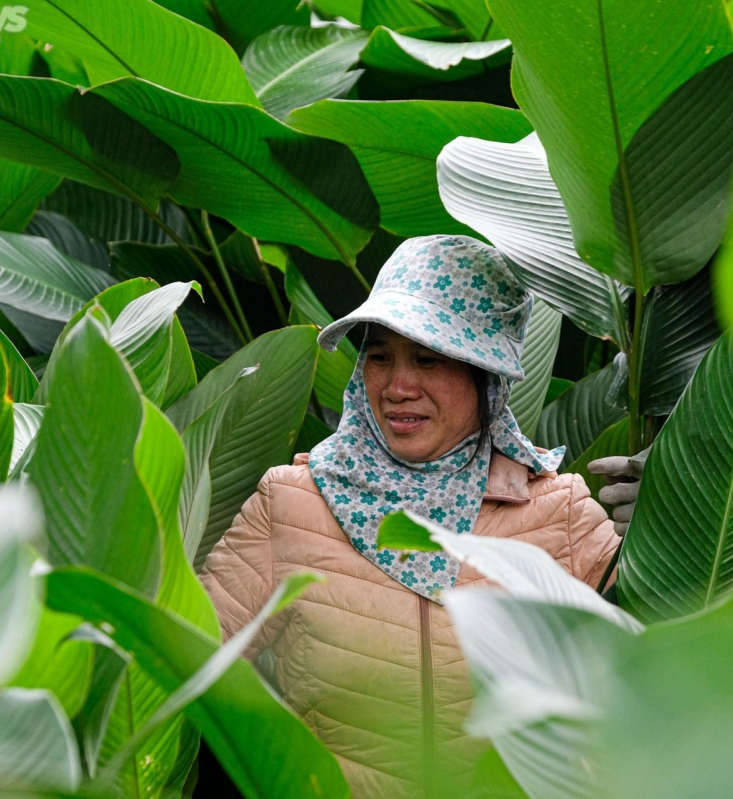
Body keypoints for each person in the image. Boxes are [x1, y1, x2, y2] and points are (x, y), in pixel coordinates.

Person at [199, 235, 620, 798]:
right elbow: (182, 659)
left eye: (427, 358)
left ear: (484, 376)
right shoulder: (293, 503)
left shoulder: (558, 512)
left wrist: (664, 530)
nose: (397, 387)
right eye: (379, 357)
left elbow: (671, 677)